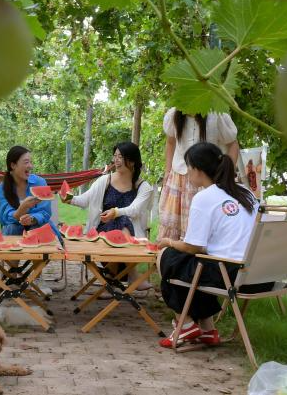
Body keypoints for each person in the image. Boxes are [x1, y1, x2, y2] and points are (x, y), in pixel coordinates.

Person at [156, 142, 268, 348]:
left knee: (168, 257)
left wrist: (168, 241)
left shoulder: (204, 197)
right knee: (195, 265)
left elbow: (193, 247)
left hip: (233, 275)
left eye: (189, 167)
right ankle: (207, 329)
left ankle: (185, 324)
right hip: (263, 276)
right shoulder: (245, 192)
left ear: (198, 170)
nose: (187, 172)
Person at [157, 108, 240, 241]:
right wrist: (167, 171)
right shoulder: (174, 114)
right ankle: (171, 253)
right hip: (178, 178)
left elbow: (233, 144)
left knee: (199, 231)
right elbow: (170, 142)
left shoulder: (217, 115)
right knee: (171, 231)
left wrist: (227, 174)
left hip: (207, 180)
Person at [65, 141, 152, 238]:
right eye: (115, 156)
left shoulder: (143, 187)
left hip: (131, 233)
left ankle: (124, 246)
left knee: (123, 220)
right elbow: (85, 200)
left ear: (132, 162)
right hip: (104, 231)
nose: (116, 160)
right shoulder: (105, 181)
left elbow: (135, 210)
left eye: (120, 157)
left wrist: (116, 212)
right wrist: (69, 198)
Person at [0, 145, 52, 236]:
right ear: (13, 165)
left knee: (36, 228)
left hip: (38, 227)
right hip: (13, 230)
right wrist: (22, 209)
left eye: (31, 162)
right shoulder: (1, 188)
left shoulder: (40, 182)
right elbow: (4, 219)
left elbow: (45, 212)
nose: (30, 166)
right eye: (26, 162)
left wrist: (32, 219)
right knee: (12, 227)